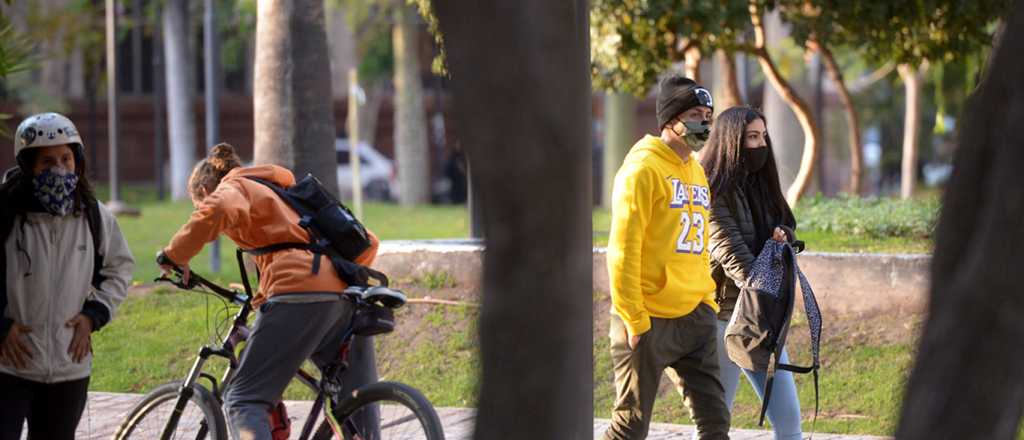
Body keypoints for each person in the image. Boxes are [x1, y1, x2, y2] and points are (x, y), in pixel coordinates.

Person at [157, 144, 380, 440]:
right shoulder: (280, 191)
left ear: (202, 189)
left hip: (299, 290)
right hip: (343, 292)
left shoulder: (235, 186)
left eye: (197, 205)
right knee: (355, 401)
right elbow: (366, 242)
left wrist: (175, 256)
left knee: (243, 400)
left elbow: (219, 209)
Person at [602, 76, 730, 440]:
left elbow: (700, 240)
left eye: (708, 115)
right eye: (694, 114)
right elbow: (624, 250)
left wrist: (706, 300)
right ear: (670, 118)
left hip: (695, 315)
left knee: (716, 423)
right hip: (647, 320)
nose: (703, 124)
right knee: (630, 428)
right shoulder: (642, 169)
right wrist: (635, 319)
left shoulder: (696, 172)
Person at [0, 112, 135, 440]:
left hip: (69, 367)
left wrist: (93, 315)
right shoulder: (5, 214)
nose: (59, 168)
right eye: (47, 161)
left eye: (66, 158)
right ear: (28, 164)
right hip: (8, 365)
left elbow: (119, 269)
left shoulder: (93, 215)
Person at [701, 107, 801, 440]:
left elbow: (787, 229)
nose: (760, 145)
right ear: (731, 141)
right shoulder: (713, 193)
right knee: (715, 428)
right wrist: (769, 267)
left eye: (763, 136)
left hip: (760, 318)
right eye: (751, 137)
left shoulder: (761, 186)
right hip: (724, 321)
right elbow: (736, 261)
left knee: (789, 424)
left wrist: (783, 239)